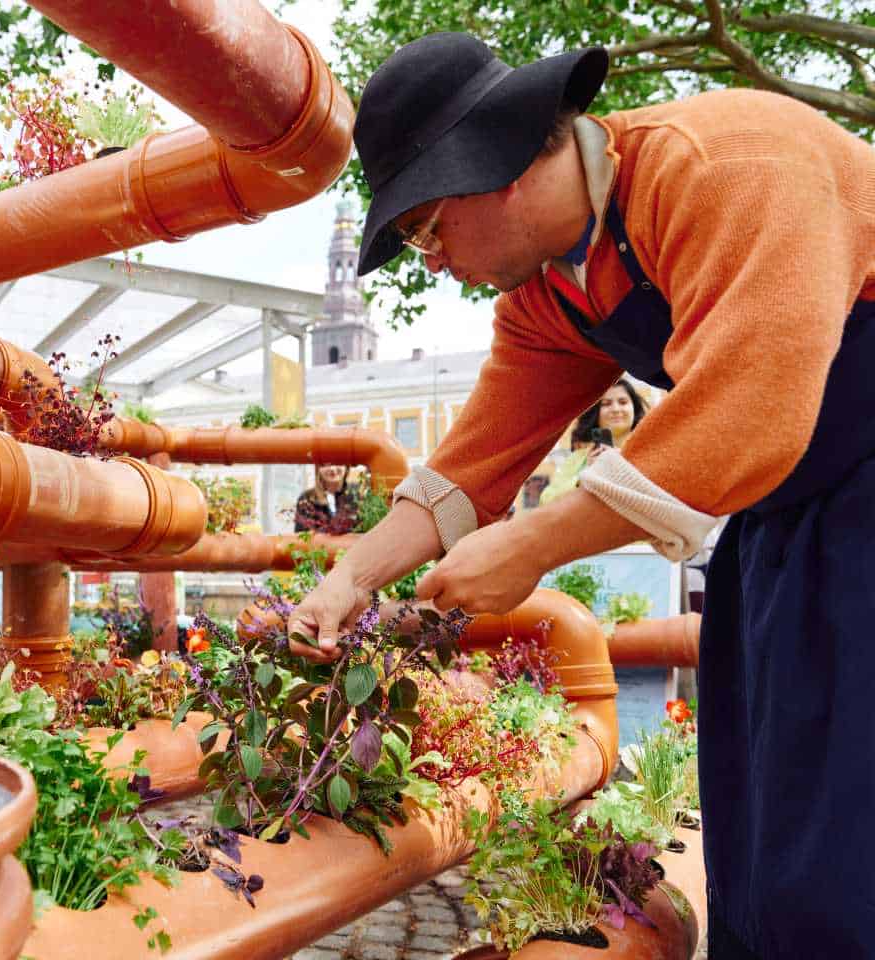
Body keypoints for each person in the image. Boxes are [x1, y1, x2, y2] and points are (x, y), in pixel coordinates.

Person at [285, 31, 875, 959]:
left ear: (494, 165)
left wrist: (533, 547)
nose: (432, 263)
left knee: (847, 844)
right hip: (783, 528)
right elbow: (472, 463)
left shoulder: (727, 166)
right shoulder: (553, 295)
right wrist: (348, 581)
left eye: (428, 230)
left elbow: (755, 406)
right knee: (760, 824)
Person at [540, 378, 650, 505]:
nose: (615, 409)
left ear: (634, 409)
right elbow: (546, 501)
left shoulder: (650, 451)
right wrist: (586, 476)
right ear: (596, 413)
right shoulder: (579, 459)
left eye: (623, 402)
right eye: (606, 404)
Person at [293, 464, 354, 533]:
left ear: (347, 466)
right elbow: (301, 537)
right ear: (318, 467)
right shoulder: (307, 498)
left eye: (338, 462)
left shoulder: (358, 495)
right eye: (326, 464)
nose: (332, 469)